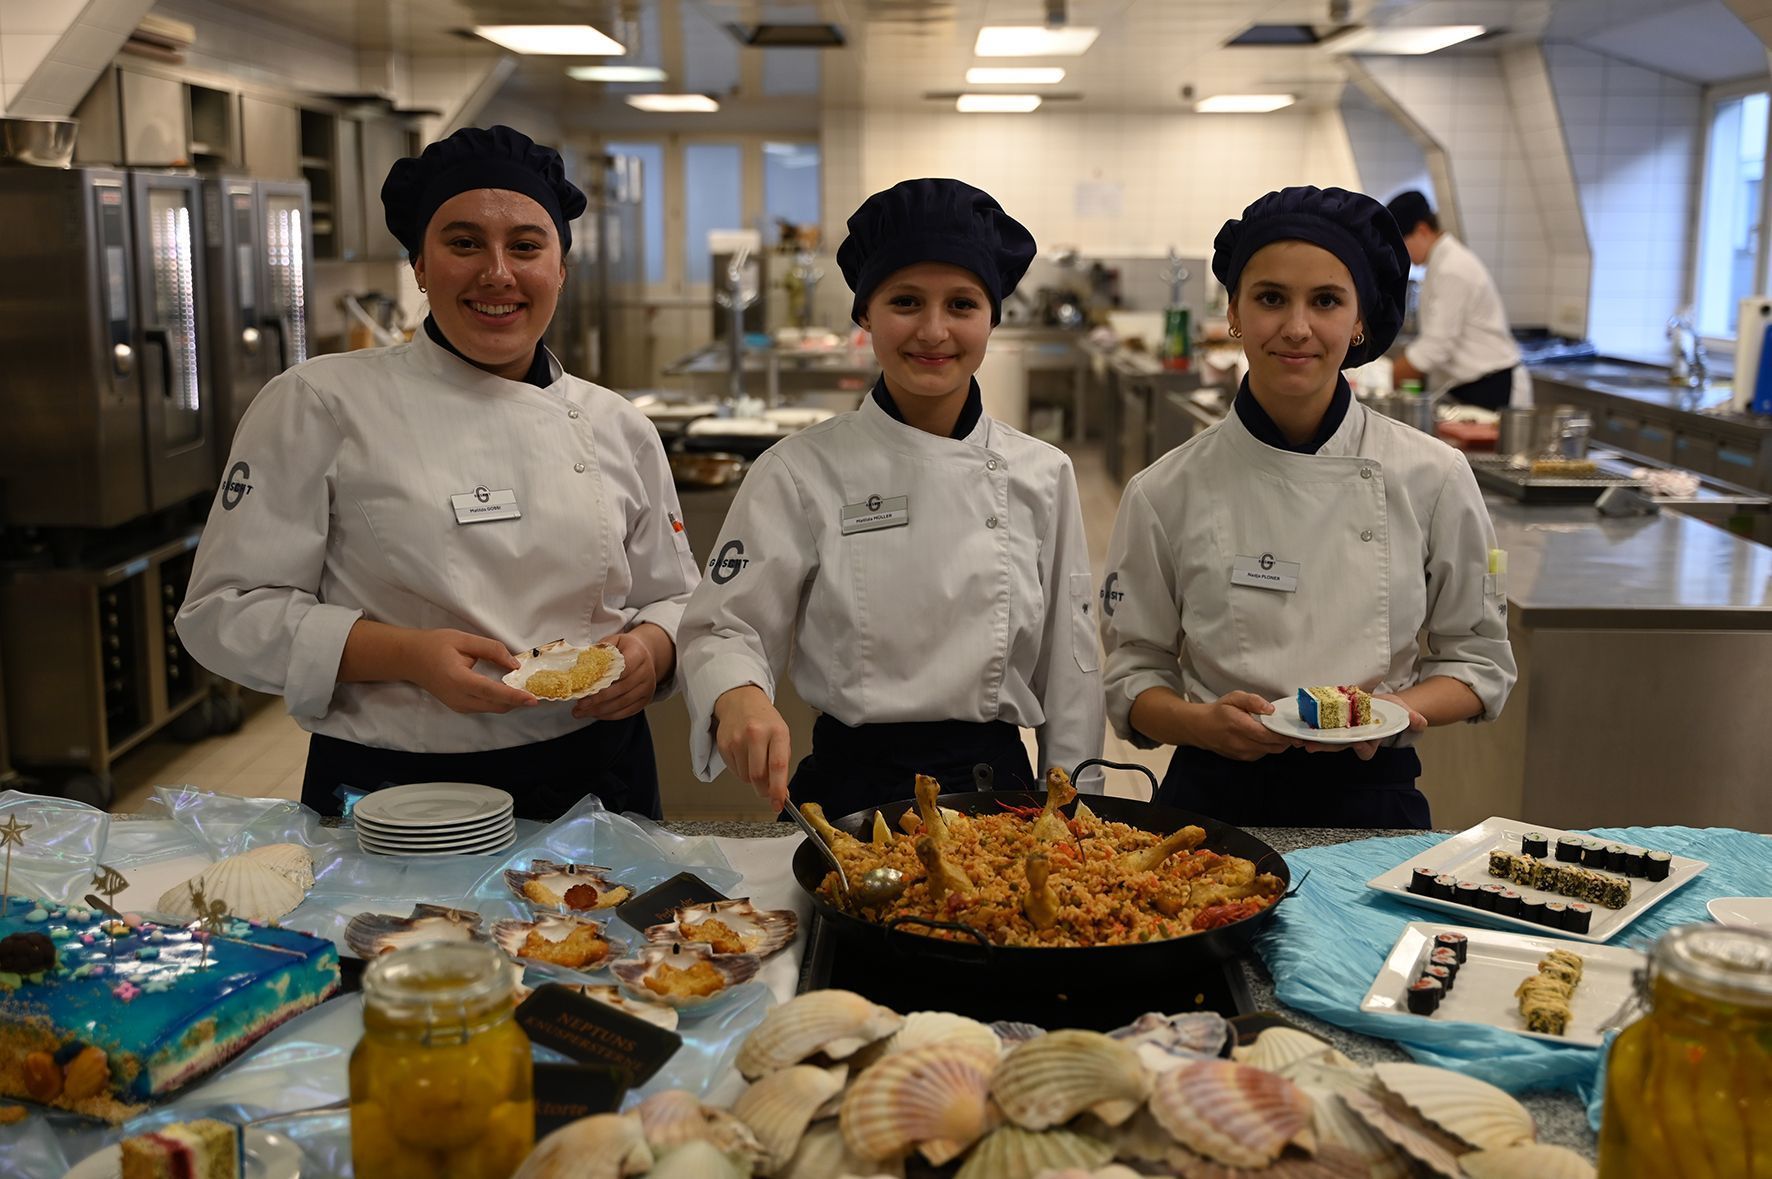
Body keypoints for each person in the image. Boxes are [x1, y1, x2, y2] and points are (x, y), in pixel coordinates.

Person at [176, 125, 698, 821]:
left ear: (561, 269)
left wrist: (653, 651)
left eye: (525, 246)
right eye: (463, 243)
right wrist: (403, 654)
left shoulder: (616, 424)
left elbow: (680, 594)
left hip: (598, 776)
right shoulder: (320, 402)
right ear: (419, 265)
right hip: (398, 786)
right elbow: (223, 612)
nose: (497, 273)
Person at [677, 178, 1104, 816]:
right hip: (852, 792)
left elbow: (1071, 670)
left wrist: (1078, 812)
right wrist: (736, 691)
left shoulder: (1042, 472)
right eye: (906, 301)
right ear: (863, 315)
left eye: (962, 304)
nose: (934, 331)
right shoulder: (799, 470)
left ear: (993, 318)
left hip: (1000, 798)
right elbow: (723, 623)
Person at [1099, 186, 1516, 828]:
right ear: (1234, 313)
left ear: (1359, 322)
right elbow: (1135, 670)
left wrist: (1399, 710)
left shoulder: (1431, 475)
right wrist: (1201, 724)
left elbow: (1477, 661)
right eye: (1270, 299)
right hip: (1213, 803)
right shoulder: (1164, 489)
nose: (1296, 327)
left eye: (1325, 301)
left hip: (1374, 802)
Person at [1385, 190, 1530, 410]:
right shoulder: (1440, 264)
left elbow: (1436, 345)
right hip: (1469, 386)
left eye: (1402, 245)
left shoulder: (1452, 267)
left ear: (1422, 230)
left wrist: (1388, 376)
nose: (1402, 255)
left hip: (1492, 386)